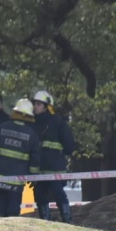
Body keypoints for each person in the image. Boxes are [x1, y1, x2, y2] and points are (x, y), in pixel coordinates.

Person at [0, 98, 41, 217]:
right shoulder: (32, 135)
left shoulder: (1, 127)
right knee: (13, 213)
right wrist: (32, 177)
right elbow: (35, 160)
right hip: (16, 181)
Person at [31, 90, 76, 223]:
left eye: (39, 104)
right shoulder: (32, 123)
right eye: (35, 104)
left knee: (58, 193)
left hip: (55, 167)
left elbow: (69, 144)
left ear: (46, 106)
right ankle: (45, 220)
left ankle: (67, 220)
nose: (35, 107)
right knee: (39, 195)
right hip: (39, 168)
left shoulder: (57, 121)